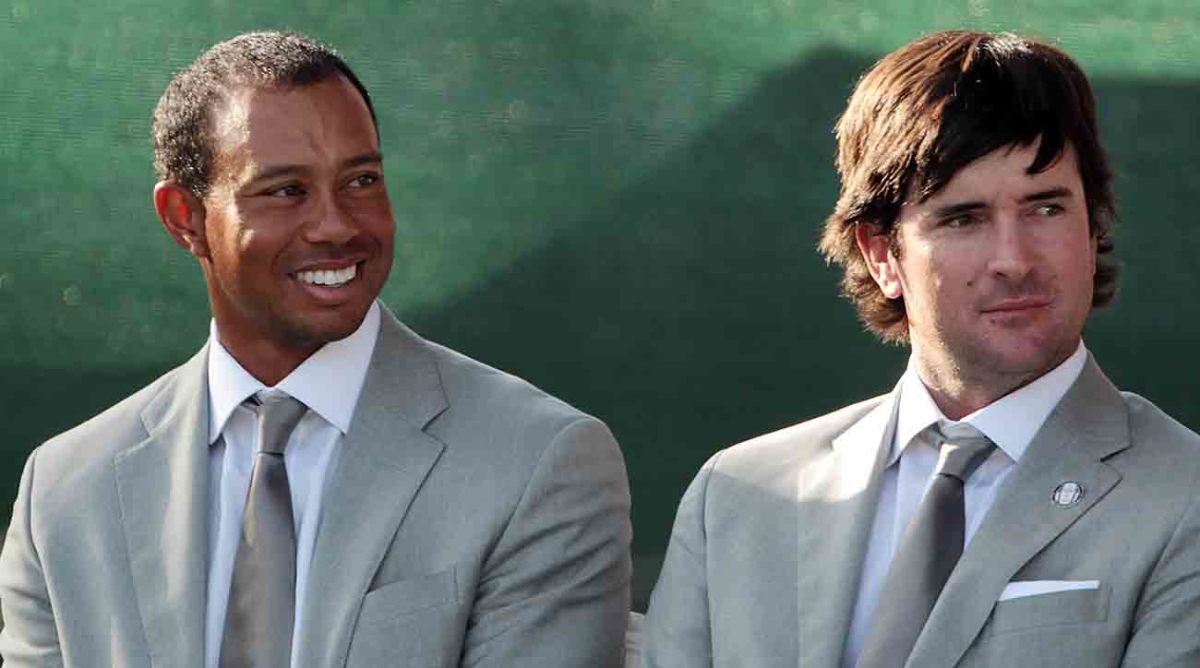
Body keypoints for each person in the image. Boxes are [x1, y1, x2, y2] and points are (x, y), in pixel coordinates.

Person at [0, 31, 631, 667]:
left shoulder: (537, 463)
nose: (336, 225)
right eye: (285, 190)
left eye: (361, 180)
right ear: (184, 219)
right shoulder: (64, 493)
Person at [642, 30, 1200, 667]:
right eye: (963, 218)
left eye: (1046, 209)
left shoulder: (1185, 497)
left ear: (1092, 224)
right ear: (882, 254)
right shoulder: (737, 497)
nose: (1013, 261)